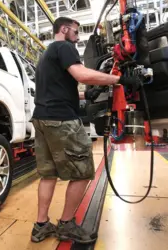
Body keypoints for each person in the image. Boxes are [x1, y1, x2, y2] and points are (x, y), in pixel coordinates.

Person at [30, 17, 141, 244]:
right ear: (64, 29)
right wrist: (120, 80)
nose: (78, 36)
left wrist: (84, 95)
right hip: (62, 121)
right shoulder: (64, 47)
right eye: (76, 31)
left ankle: (40, 226)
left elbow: (57, 89)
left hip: (42, 120)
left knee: (48, 174)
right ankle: (67, 224)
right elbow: (82, 75)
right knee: (82, 172)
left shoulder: (47, 54)